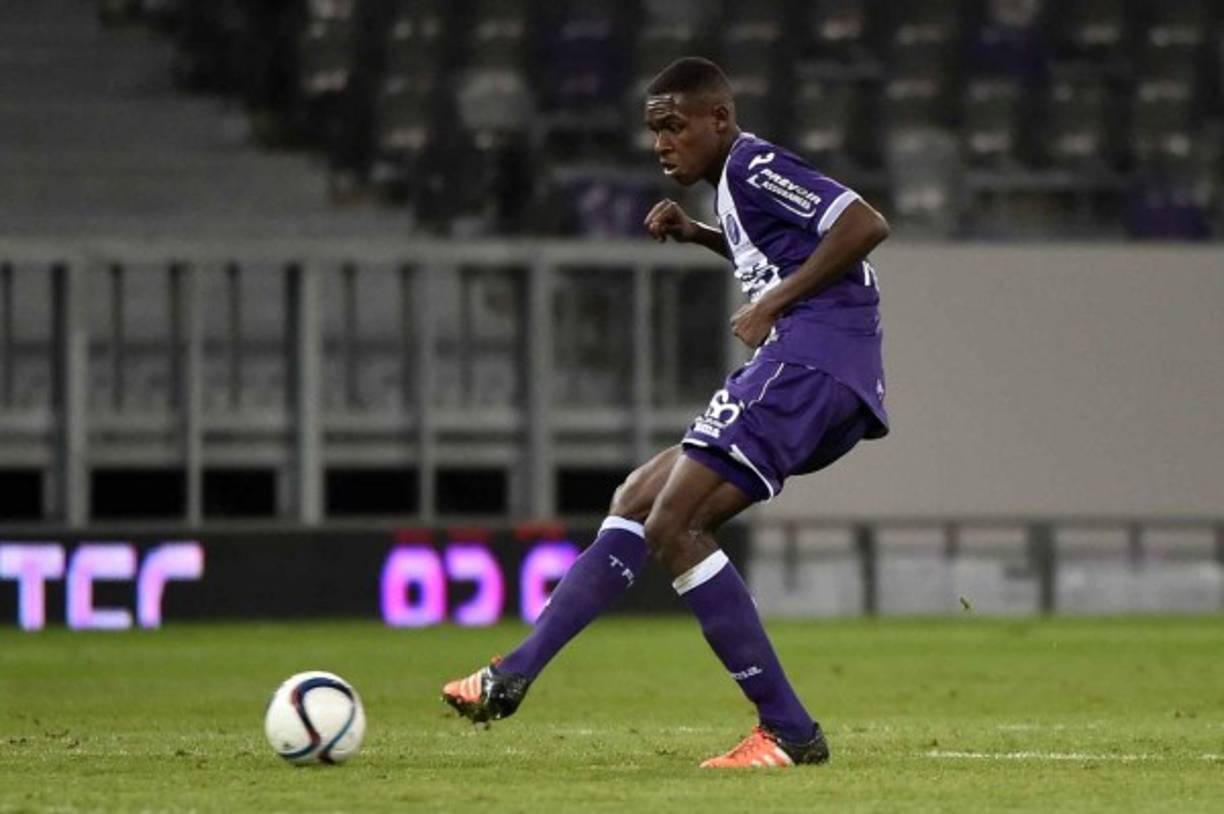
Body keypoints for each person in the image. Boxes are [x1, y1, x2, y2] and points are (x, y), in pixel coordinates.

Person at [442, 56, 890, 769]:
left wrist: (772, 305)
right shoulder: (731, 192)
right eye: (654, 131)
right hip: (818, 372)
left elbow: (865, 224)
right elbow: (776, 255)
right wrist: (699, 234)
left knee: (675, 523)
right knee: (638, 499)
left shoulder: (753, 164)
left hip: (808, 364)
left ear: (719, 119)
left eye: (675, 127)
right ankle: (512, 674)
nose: (661, 144)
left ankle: (788, 730)